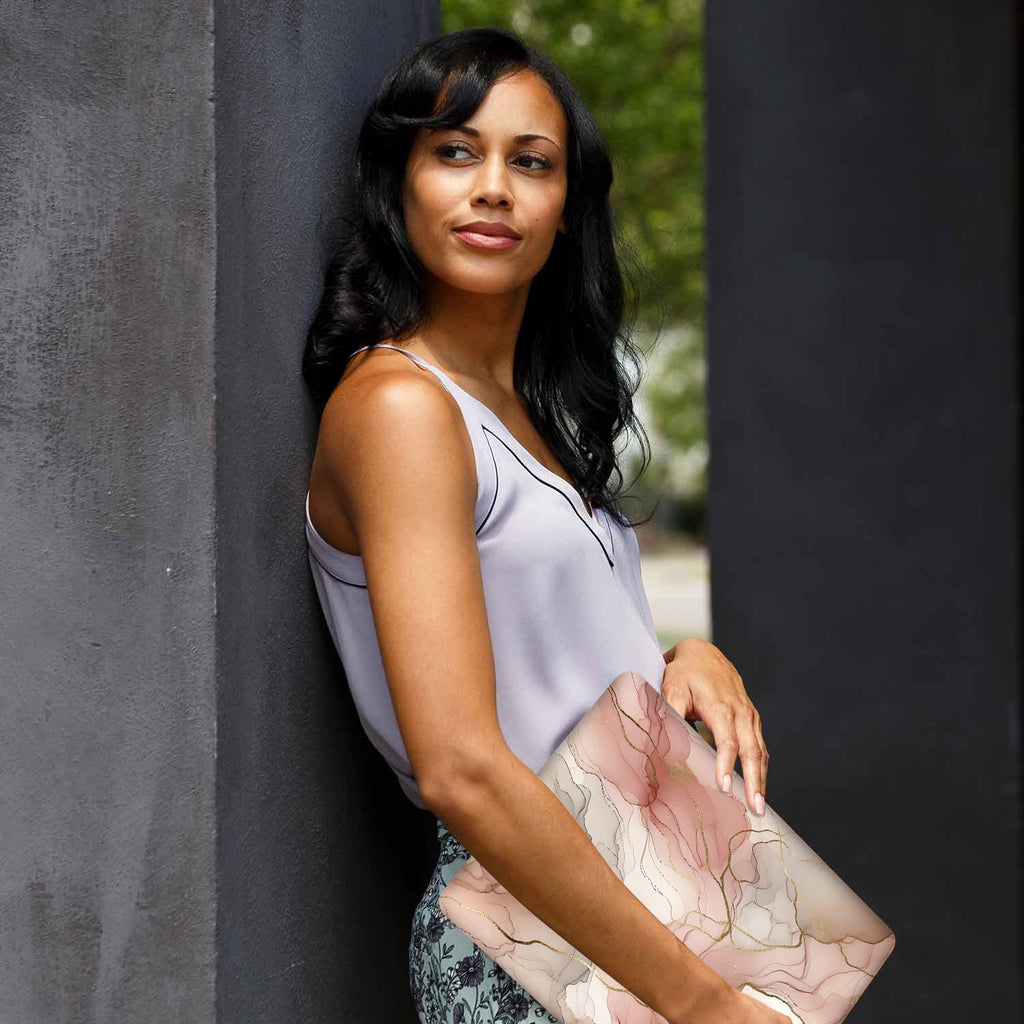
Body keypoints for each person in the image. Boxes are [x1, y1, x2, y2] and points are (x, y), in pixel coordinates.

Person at [302, 26, 783, 1024]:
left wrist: (682, 661)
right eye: (454, 152)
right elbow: (464, 768)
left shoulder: (526, 414)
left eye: (531, 162)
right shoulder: (401, 407)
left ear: (566, 209)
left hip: (640, 898)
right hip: (531, 934)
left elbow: (545, 657)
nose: (492, 188)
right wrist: (706, 1007)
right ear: (397, 185)